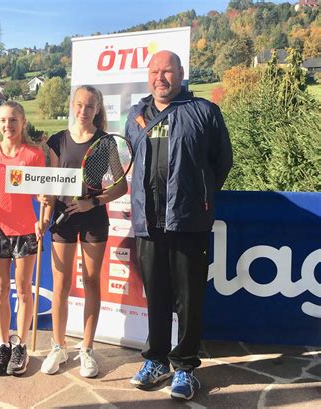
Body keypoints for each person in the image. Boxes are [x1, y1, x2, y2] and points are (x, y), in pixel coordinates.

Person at [125, 50, 233, 400]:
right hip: (148, 223)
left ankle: (185, 367)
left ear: (181, 72)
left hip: (189, 222)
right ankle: (156, 360)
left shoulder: (204, 112)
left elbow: (222, 163)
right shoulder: (136, 115)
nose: (161, 77)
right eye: (155, 71)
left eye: (167, 71)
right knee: (156, 296)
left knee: (189, 298)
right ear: (148, 75)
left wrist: (197, 197)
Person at [40, 85, 127, 378]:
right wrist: (44, 198)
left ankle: (87, 349)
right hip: (63, 220)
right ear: (72, 105)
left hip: (93, 220)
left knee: (91, 282)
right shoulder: (57, 141)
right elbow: (49, 184)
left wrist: (94, 201)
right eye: (79, 105)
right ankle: (58, 346)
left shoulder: (105, 142)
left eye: (89, 106)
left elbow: (121, 185)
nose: (83, 111)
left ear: (97, 110)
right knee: (61, 287)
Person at [0, 101, 46, 376]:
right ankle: (3, 344)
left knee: (24, 291)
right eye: (4, 120)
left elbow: (40, 193)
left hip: (25, 233)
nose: (9, 125)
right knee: (0, 291)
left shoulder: (33, 155)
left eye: (14, 120)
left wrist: (42, 214)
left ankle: (20, 346)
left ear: (23, 122)